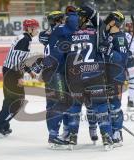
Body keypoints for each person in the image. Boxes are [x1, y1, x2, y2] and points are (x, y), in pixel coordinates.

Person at [65, 5, 113, 149]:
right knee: (101, 106)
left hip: (75, 78)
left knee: (75, 107)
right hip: (94, 75)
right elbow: (105, 50)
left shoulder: (70, 33)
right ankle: (106, 137)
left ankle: (72, 137)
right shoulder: (95, 32)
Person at [0, 19, 39, 137]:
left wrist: (29, 71)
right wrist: (18, 77)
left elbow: (19, 59)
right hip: (12, 73)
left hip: (9, 71)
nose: (37, 30)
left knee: (10, 101)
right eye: (36, 28)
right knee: (18, 102)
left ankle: (3, 126)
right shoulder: (25, 40)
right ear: (30, 28)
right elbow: (16, 61)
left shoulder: (23, 37)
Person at [40, 7, 79, 147]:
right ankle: (55, 136)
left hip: (49, 72)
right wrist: (72, 13)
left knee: (52, 105)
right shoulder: (59, 29)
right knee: (61, 103)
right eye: (63, 18)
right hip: (56, 72)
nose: (65, 20)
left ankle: (54, 134)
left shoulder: (49, 33)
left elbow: (43, 36)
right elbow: (73, 25)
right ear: (58, 20)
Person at [102, 10, 130, 146]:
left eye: (109, 19)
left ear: (114, 22)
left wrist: (108, 51)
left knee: (114, 105)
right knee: (106, 105)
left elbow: (122, 58)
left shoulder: (120, 37)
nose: (106, 22)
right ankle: (110, 130)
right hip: (104, 75)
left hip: (115, 76)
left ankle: (117, 131)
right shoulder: (107, 36)